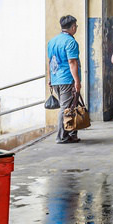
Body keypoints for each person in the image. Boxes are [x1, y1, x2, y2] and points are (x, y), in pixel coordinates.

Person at [46, 15, 82, 144]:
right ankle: (62, 136)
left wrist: (50, 78)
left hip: (56, 79)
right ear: (72, 27)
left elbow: (50, 61)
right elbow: (72, 62)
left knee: (71, 107)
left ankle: (72, 133)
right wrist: (77, 81)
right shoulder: (71, 42)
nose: (76, 28)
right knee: (66, 108)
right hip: (67, 79)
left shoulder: (52, 41)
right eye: (76, 26)